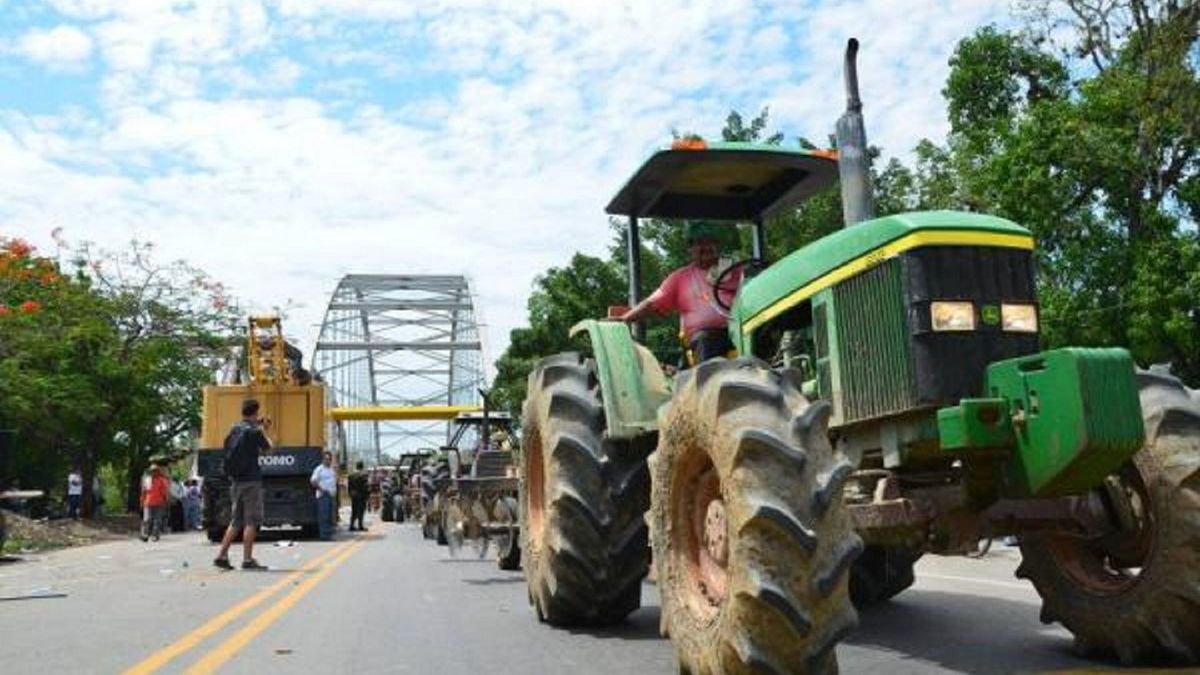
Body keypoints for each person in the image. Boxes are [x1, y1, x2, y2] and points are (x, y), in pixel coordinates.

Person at [619, 221, 744, 364]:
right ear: (690, 249)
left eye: (711, 242)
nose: (706, 247)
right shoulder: (680, 278)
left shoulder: (736, 270)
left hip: (741, 329)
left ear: (718, 246)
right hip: (707, 337)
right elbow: (652, 304)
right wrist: (625, 319)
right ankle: (709, 378)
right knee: (706, 340)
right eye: (700, 243)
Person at [213, 398, 273, 571]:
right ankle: (247, 559)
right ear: (256, 412)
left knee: (235, 522)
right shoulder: (255, 432)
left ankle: (222, 555)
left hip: (236, 481)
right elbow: (268, 450)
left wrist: (257, 425)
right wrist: (264, 430)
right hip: (251, 481)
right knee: (251, 521)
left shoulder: (235, 429)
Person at [310, 452, 337, 541]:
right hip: (323, 495)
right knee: (324, 516)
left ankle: (329, 534)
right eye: (326, 459)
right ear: (323, 460)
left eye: (329, 459)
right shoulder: (319, 469)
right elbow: (313, 481)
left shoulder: (332, 470)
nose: (328, 461)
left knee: (330, 516)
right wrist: (321, 489)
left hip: (331, 495)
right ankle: (324, 535)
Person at [140, 464, 169, 542]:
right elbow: (144, 491)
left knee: (157, 520)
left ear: (158, 472)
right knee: (147, 519)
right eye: (152, 471)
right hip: (148, 502)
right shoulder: (147, 480)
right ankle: (145, 534)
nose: (153, 472)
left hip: (159, 503)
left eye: (155, 471)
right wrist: (141, 501)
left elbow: (164, 492)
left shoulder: (161, 480)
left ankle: (155, 535)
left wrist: (166, 501)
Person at [347, 461, 369, 531]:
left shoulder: (351, 475)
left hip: (354, 495)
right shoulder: (364, 475)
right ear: (362, 466)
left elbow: (349, 486)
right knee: (361, 511)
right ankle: (360, 525)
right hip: (361, 495)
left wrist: (350, 494)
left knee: (354, 511)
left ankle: (351, 525)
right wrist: (367, 495)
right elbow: (365, 486)